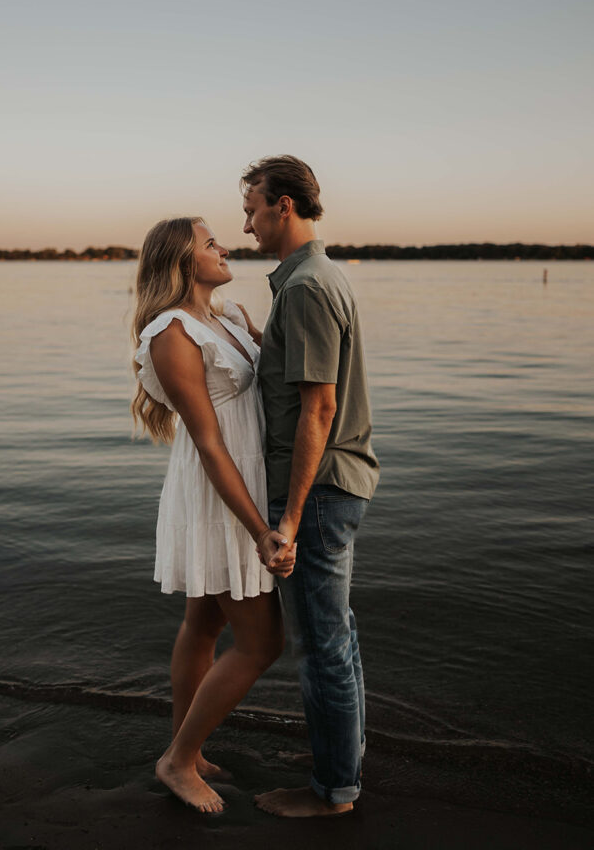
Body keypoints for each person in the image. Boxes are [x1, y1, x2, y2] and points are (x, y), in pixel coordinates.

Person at [131, 216, 295, 814]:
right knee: (262, 642)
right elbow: (207, 441)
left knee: (203, 625)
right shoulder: (171, 332)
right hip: (220, 491)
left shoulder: (223, 316)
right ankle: (178, 761)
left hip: (243, 479)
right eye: (209, 242)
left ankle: (187, 748)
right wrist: (259, 528)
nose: (224, 245)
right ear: (181, 259)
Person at [240, 155, 380, 818]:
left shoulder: (303, 287)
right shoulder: (315, 278)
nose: (247, 224)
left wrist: (288, 520)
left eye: (252, 208)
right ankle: (340, 755)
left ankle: (332, 792)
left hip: (318, 492)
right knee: (337, 635)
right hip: (333, 486)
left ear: (283, 205)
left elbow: (317, 410)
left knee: (322, 643)